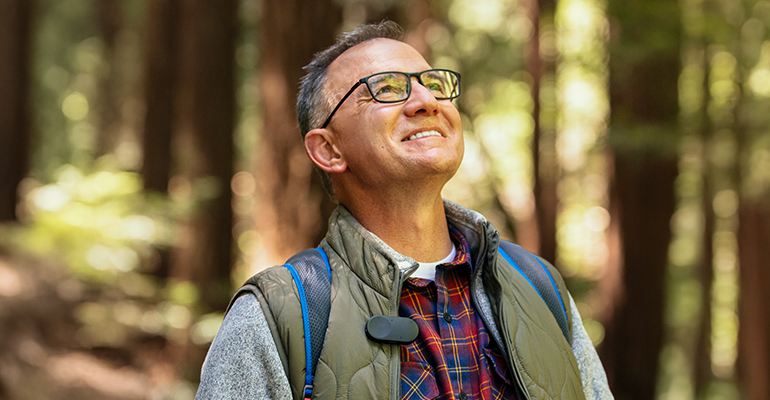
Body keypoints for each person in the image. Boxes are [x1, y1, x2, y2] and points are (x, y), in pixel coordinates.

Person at [196, 21, 612, 400]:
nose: (426, 101)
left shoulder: (539, 287)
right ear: (328, 149)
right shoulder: (280, 314)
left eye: (433, 83)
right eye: (387, 88)